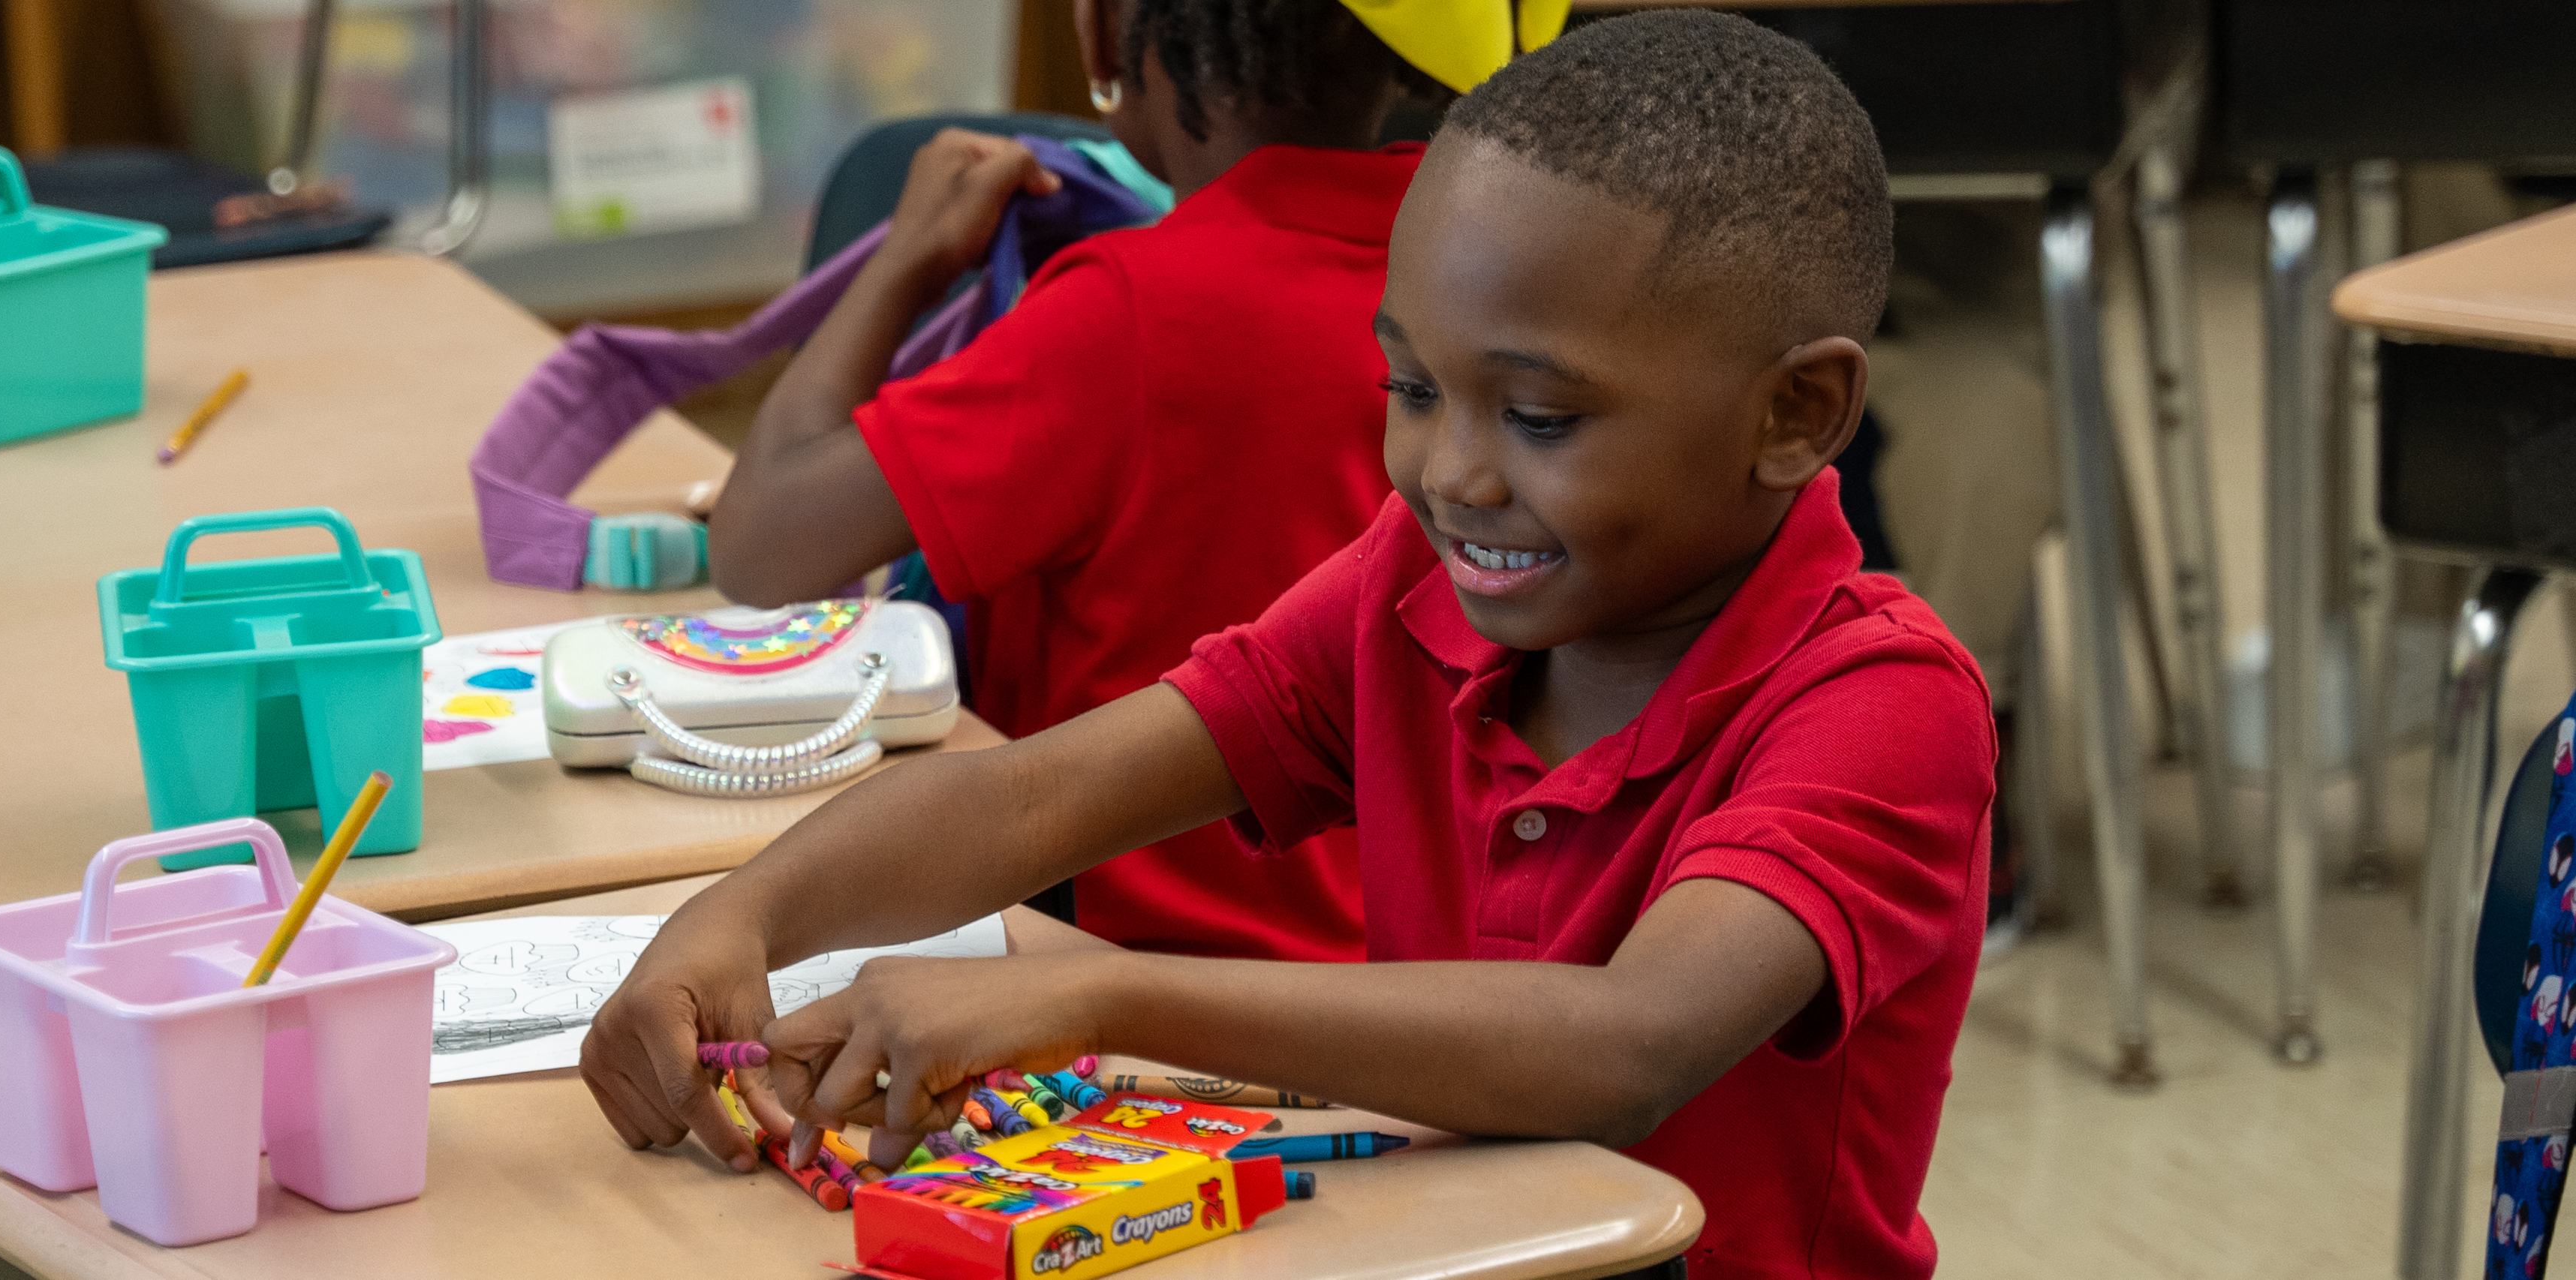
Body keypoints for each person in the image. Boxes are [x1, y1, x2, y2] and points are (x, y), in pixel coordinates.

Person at [588, 13, 1991, 1278]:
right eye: (1412, 386)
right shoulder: (1411, 591)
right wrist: (738, 920)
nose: (1449, 474)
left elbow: (1623, 1045)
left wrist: (1090, 995)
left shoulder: (1877, 700)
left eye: (1541, 420)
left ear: (1796, 414)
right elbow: (1034, 796)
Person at [700, 0, 1527, 963]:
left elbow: (762, 549)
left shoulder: (1132, 312)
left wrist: (905, 262)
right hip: (1439, 998)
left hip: (1140, 995)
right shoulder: (1495, 273)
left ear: (1107, 30)